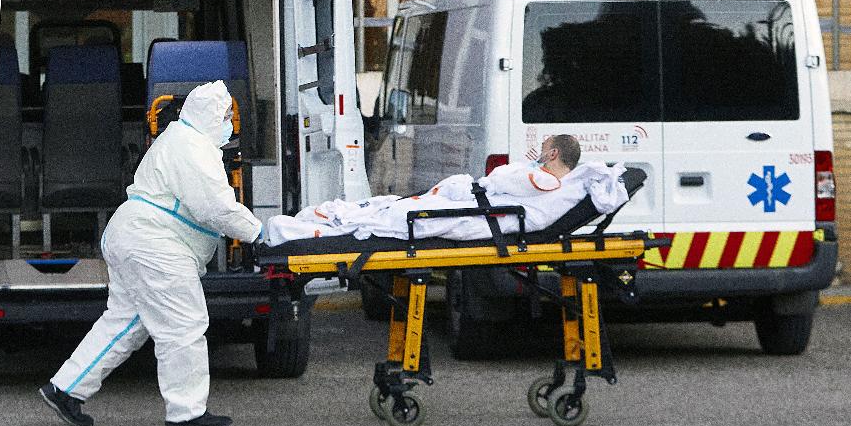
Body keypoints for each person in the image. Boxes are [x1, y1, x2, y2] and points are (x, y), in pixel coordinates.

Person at [41, 80, 261, 426]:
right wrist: (258, 234)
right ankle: (187, 411)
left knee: (126, 321)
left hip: (132, 236)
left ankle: (66, 388)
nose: (228, 125)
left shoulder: (177, 140)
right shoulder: (193, 149)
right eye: (224, 117)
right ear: (207, 117)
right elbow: (216, 208)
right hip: (155, 244)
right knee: (184, 324)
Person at [264, 134, 628, 245]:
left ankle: (290, 230)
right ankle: (309, 222)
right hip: (472, 206)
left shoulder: (546, 181)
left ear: (551, 153)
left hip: (471, 215)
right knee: (381, 206)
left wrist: (523, 165)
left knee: (386, 215)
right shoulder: (554, 187)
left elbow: (502, 181)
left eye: (542, 149)